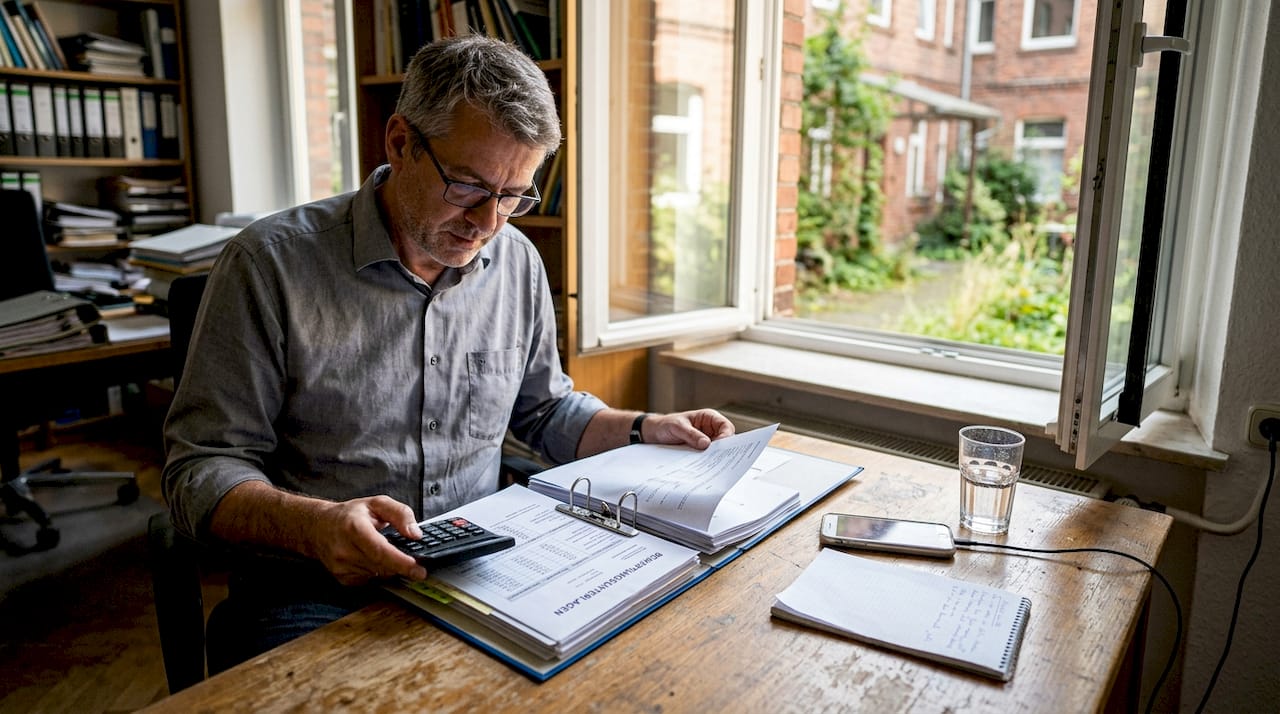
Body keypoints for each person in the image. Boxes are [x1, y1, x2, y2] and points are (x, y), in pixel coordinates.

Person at [161, 34, 734, 673]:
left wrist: (642, 429)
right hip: (316, 586)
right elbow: (201, 469)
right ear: (400, 142)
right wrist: (317, 525)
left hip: (483, 567)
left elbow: (543, 412)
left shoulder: (515, 262)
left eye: (515, 195)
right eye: (467, 186)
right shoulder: (269, 265)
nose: (489, 222)